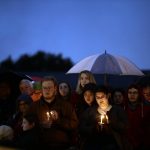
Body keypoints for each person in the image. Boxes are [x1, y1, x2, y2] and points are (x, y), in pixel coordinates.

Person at [28, 76, 79, 150]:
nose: (47, 90)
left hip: (61, 145)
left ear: (55, 88)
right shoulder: (34, 106)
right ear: (41, 89)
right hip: (40, 144)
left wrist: (59, 120)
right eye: (44, 88)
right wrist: (40, 124)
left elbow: (74, 124)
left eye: (49, 87)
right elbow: (27, 122)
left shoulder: (66, 105)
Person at [79, 85, 129, 150]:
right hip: (93, 143)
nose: (100, 99)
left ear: (108, 96)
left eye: (102, 97)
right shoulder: (90, 111)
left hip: (112, 143)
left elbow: (126, 126)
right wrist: (93, 128)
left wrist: (111, 122)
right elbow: (81, 127)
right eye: (97, 97)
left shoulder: (117, 110)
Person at [125, 84, 144, 150]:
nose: (132, 95)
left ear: (139, 94)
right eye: (130, 93)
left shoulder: (144, 108)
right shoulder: (123, 108)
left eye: (135, 93)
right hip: (126, 143)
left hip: (141, 143)